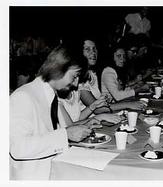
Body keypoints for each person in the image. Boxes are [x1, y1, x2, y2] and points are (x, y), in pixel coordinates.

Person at [10, 45, 93, 180]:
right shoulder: (23, 96)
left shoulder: (51, 95)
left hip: (55, 172)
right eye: (75, 76)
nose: (76, 84)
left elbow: (54, 135)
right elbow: (18, 148)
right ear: (59, 68)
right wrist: (65, 135)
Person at [79, 39, 146, 112]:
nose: (93, 52)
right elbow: (97, 109)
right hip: (92, 120)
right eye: (87, 49)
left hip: (102, 115)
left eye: (94, 49)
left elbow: (103, 100)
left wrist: (133, 87)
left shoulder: (92, 73)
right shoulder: (78, 78)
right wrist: (128, 104)